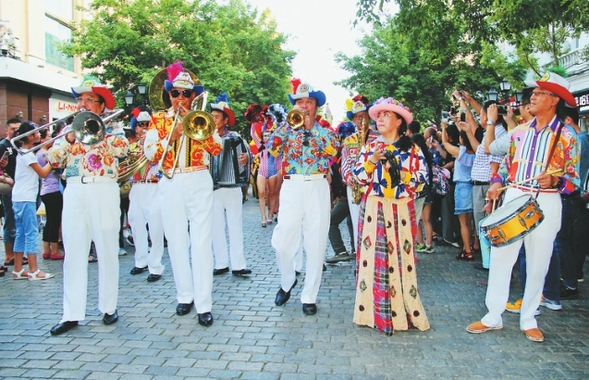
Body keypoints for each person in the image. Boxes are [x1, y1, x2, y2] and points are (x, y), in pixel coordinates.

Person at [467, 72, 579, 343]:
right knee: (502, 256)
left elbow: (573, 180)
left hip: (547, 198)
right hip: (516, 193)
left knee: (539, 260)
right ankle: (493, 315)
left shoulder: (566, 136)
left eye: (540, 94)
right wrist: (496, 183)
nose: (533, 97)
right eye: (535, 93)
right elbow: (505, 166)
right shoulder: (519, 132)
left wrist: (555, 178)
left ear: (553, 100)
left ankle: (529, 318)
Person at [48, 76, 129, 335]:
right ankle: (71, 313)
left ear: (101, 105)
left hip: (103, 187)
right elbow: (53, 158)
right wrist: (71, 137)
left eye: (88, 99)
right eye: (79, 99)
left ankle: (108, 306)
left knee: (106, 247)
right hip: (74, 188)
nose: (82, 103)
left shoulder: (113, 126)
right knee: (74, 251)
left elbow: (122, 149)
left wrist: (98, 132)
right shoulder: (67, 130)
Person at [143, 61, 222, 327]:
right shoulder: (158, 119)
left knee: (201, 241)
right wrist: (174, 135)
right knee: (176, 240)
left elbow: (217, 149)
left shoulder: (202, 117)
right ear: (169, 94)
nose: (180, 98)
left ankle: (204, 304)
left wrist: (198, 128)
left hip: (198, 177)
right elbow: (150, 154)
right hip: (171, 179)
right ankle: (184, 296)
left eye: (185, 94)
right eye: (175, 93)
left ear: (193, 96)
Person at [352, 96, 430, 335]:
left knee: (400, 262)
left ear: (399, 122)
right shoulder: (370, 147)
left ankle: (402, 313)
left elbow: (422, 181)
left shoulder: (412, 149)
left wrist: (400, 173)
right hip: (373, 210)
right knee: (374, 263)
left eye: (387, 115)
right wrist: (372, 161)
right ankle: (375, 315)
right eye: (380, 115)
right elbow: (357, 179)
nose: (381, 119)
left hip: (400, 209)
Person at [268, 78, 339, 315]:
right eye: (299, 102)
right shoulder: (286, 126)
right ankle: (287, 280)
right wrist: (290, 126)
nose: (303, 106)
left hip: (317, 186)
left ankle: (309, 296)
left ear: (315, 106)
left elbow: (332, 150)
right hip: (292, 186)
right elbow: (272, 148)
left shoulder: (325, 130)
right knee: (283, 242)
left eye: (308, 102)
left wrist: (311, 128)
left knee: (316, 243)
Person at [209, 93, 252, 276]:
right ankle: (221, 263)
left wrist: (246, 159)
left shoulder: (235, 137)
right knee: (215, 226)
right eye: (212, 116)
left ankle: (238, 264)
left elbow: (248, 156)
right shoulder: (205, 137)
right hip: (212, 187)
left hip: (233, 186)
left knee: (235, 224)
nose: (213, 119)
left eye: (217, 117)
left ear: (225, 120)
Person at [10, 121, 54, 280]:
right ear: (29, 136)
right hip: (26, 198)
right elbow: (43, 173)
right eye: (36, 133)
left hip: (18, 198)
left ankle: (18, 269)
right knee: (31, 233)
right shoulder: (28, 155)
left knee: (21, 233)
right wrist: (53, 162)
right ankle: (34, 270)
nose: (39, 135)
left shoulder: (22, 153)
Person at [127, 108, 165, 282]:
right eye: (140, 125)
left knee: (155, 227)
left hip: (155, 187)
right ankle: (140, 260)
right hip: (137, 188)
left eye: (147, 125)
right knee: (136, 223)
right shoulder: (130, 147)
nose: (143, 128)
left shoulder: (157, 145)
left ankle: (155, 266)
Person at [325, 121, 356, 264]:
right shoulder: (337, 154)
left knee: (332, 221)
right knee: (351, 221)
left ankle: (342, 251)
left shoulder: (344, 154)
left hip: (350, 194)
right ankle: (352, 250)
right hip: (346, 195)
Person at [36, 128, 64, 261]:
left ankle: (46, 248)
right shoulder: (45, 154)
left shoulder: (39, 153)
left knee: (49, 222)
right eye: (48, 137)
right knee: (54, 220)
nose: (50, 139)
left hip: (45, 190)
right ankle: (55, 250)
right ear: (41, 139)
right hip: (52, 190)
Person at [0, 118, 21, 270]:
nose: (15, 131)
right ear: (7, 130)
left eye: (17, 129)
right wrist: (6, 179)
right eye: (12, 129)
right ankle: (9, 255)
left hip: (18, 186)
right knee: (10, 219)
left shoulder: (18, 145)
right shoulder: (3, 146)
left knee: (16, 220)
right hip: (9, 186)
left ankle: (16, 252)